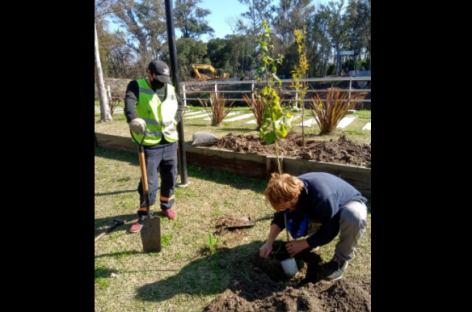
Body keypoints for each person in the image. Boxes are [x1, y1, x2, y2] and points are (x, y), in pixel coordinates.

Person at [259, 172, 368, 281]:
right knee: (302, 220)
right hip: (324, 207)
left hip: (348, 202)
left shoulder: (322, 197)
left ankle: (340, 260)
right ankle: (313, 242)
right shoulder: (287, 191)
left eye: (285, 205)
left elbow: (330, 230)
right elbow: (280, 217)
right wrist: (269, 242)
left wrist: (303, 244)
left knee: (354, 217)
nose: (283, 208)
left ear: (295, 197)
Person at [124, 59, 183, 233]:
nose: (161, 83)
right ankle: (144, 214)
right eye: (158, 78)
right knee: (148, 182)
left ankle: (166, 205)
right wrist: (133, 119)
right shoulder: (136, 85)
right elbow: (129, 104)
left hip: (170, 141)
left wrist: (175, 119)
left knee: (171, 175)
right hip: (149, 143)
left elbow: (180, 105)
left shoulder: (170, 87)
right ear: (149, 73)